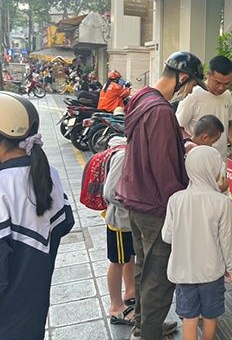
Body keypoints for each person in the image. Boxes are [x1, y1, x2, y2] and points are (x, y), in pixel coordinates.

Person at [117, 51, 204, 340]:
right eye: (191, 84)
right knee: (160, 277)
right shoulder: (162, 111)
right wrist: (181, 208)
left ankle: (144, 326)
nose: (190, 91)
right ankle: (150, 334)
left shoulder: (142, 97)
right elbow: (165, 168)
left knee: (144, 267)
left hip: (136, 197)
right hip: (156, 206)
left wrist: (183, 141)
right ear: (182, 77)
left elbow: (155, 141)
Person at [0, 92, 75, 339]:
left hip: (6, 317)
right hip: (34, 306)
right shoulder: (49, 172)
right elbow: (65, 222)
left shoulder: (3, 186)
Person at [162, 146, 232, 340]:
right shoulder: (222, 202)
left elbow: (167, 236)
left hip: (184, 272)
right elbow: (228, 239)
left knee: (189, 318)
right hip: (212, 273)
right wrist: (231, 266)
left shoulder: (175, 200)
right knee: (210, 317)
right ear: (213, 170)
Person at [176, 56, 232, 160]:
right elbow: (177, 128)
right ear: (208, 74)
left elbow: (228, 124)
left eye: (226, 84)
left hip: (220, 159)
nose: (221, 88)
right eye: (217, 82)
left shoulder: (227, 95)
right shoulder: (192, 95)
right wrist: (192, 144)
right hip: (197, 159)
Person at [102, 136, 136, 326]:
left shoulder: (133, 151)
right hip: (120, 220)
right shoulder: (124, 156)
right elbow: (110, 192)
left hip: (129, 220)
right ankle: (116, 307)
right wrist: (137, 202)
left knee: (129, 257)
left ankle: (130, 291)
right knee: (117, 261)